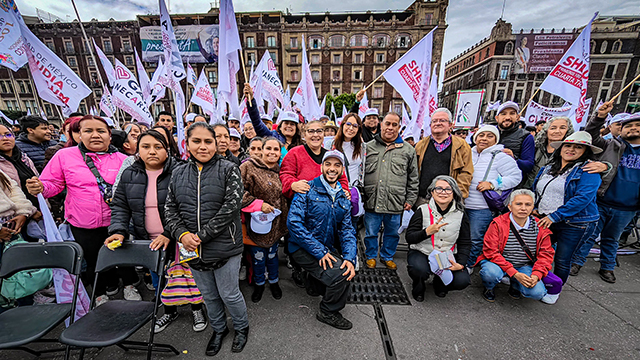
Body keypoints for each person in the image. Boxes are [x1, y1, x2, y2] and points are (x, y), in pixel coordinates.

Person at [105, 129, 207, 332]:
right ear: (137, 150)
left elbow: (187, 207)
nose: (152, 151)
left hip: (179, 238)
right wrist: (118, 230)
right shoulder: (129, 174)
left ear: (167, 150)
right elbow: (121, 206)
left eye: (158, 147)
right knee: (159, 277)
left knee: (189, 275)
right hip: (148, 240)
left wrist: (169, 233)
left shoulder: (181, 170)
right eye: (146, 146)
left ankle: (197, 308)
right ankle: (169, 311)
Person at [164, 122, 248, 355]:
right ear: (186, 144)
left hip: (225, 246)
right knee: (209, 295)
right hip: (191, 247)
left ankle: (241, 328)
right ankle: (219, 329)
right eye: (196, 141)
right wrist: (181, 234)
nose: (203, 146)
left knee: (229, 293)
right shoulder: (178, 172)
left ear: (216, 143)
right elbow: (170, 209)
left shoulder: (229, 168)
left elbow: (230, 207)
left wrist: (200, 236)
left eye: (208, 141)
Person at [25, 115, 129, 306]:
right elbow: (52, 184)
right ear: (79, 135)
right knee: (92, 258)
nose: (95, 135)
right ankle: (98, 292)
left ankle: (126, 285)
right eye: (88, 131)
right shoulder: (64, 156)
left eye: (101, 131)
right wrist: (40, 188)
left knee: (120, 255)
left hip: (117, 221)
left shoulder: (124, 159)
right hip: (82, 222)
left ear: (110, 136)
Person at [287, 150, 357, 330]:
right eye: (328, 164)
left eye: (337, 165)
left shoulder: (343, 196)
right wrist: (320, 252)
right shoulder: (307, 188)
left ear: (342, 170)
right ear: (321, 167)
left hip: (325, 248)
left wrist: (350, 257)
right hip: (301, 248)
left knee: (346, 267)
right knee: (341, 276)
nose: (332, 169)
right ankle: (328, 312)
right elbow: (294, 223)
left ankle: (312, 284)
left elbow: (347, 229)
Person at [571, 106, 640, 283]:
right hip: (601, 200)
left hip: (628, 206)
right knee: (589, 234)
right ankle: (577, 262)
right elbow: (590, 135)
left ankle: (607, 267)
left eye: (637, 125)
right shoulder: (610, 145)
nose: (632, 128)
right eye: (628, 126)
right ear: (620, 130)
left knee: (612, 238)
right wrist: (599, 117)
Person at [533, 131, 602, 287]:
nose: (571, 149)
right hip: (546, 218)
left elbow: (582, 198)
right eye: (568, 145)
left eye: (578, 147)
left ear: (586, 151)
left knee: (562, 260)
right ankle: (539, 281)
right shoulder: (548, 168)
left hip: (574, 223)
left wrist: (555, 216)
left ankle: (554, 289)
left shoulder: (588, 171)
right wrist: (536, 206)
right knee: (539, 253)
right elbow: (537, 189)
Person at [363, 112, 419, 270]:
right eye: (387, 123)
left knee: (393, 233)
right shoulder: (368, 147)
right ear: (381, 124)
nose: (390, 128)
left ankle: (387, 256)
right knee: (371, 232)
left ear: (399, 127)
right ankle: (371, 256)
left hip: (396, 201)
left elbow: (413, 177)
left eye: (395, 125)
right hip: (372, 199)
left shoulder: (408, 150)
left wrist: (411, 198)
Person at [477, 190, 555, 302]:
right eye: (518, 204)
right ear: (510, 206)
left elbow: (546, 255)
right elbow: (491, 252)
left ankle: (515, 285)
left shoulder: (540, 227)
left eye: (528, 204)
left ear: (533, 207)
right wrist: (514, 272)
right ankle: (489, 288)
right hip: (498, 263)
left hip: (524, 265)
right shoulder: (498, 224)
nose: (523, 208)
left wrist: (536, 274)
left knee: (538, 293)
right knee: (490, 273)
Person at [405, 176, 471, 301]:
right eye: (439, 188)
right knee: (418, 269)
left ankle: (440, 283)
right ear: (432, 192)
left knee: (462, 281)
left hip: (447, 255)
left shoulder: (461, 214)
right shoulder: (422, 210)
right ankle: (418, 286)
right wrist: (426, 232)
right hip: (423, 252)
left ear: (454, 193)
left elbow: (465, 242)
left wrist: (461, 264)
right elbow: (409, 238)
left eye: (448, 189)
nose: (443, 192)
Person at [465, 125, 522, 269]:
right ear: (475, 137)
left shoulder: (501, 156)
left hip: (481, 208)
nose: (484, 139)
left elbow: (516, 177)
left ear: (496, 139)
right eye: (481, 135)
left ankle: (470, 264)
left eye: (490, 136)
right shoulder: (467, 153)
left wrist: (493, 184)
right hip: (462, 204)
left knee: (475, 238)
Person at [240, 137, 288, 303]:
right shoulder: (248, 167)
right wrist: (258, 204)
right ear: (261, 149)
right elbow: (237, 191)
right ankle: (259, 284)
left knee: (273, 256)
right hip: (257, 225)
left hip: (275, 225)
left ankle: (274, 282)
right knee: (258, 258)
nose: (272, 152)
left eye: (276, 150)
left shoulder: (281, 171)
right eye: (269, 148)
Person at [414, 108, 474, 203]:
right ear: (430, 125)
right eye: (434, 121)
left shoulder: (462, 146)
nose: (438, 123)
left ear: (450, 125)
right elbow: (414, 172)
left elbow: (466, 173)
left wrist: (457, 195)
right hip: (422, 199)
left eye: (442, 120)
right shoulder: (420, 145)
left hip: (449, 199)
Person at [245, 84, 303, 155]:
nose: (289, 126)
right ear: (280, 126)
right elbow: (257, 122)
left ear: (296, 128)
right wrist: (251, 101)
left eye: (292, 124)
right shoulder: (272, 137)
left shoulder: (302, 145)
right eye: (286, 123)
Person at [0, 124, 40, 208]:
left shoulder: (24, 158)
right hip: (17, 215)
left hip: (41, 209)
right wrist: (28, 211)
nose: (5, 138)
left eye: (8, 134)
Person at [495, 102, 535, 180]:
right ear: (497, 118)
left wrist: (514, 158)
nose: (507, 117)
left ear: (517, 117)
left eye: (512, 114)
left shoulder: (526, 136)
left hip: (511, 184)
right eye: (503, 114)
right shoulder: (488, 134)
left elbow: (528, 166)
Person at [332, 113, 365, 187]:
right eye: (348, 124)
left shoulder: (362, 146)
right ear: (342, 125)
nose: (351, 128)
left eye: (355, 126)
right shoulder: (331, 144)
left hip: (354, 190)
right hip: (335, 189)